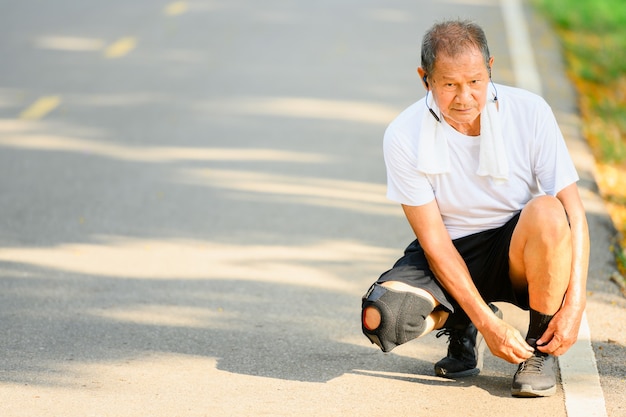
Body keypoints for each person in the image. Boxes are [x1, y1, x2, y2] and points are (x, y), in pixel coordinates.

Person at [361, 19, 590, 398]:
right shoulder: (403, 135)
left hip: (517, 247)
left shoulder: (529, 111)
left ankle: (538, 350)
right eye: (449, 84)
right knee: (383, 318)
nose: (464, 97)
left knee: (550, 211)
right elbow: (434, 243)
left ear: (490, 69)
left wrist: (576, 304)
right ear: (425, 79)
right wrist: (487, 324)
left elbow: (574, 213)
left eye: (475, 82)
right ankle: (466, 320)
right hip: (452, 247)